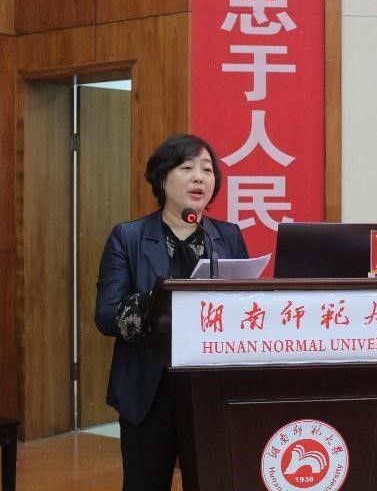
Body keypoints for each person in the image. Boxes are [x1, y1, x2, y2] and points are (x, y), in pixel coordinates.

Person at [95, 134, 249, 491]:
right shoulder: (128, 237)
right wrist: (159, 302)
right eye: (187, 167)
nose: (200, 177)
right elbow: (106, 315)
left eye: (207, 170)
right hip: (149, 389)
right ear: (162, 178)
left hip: (210, 388)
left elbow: (245, 308)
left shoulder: (226, 237)